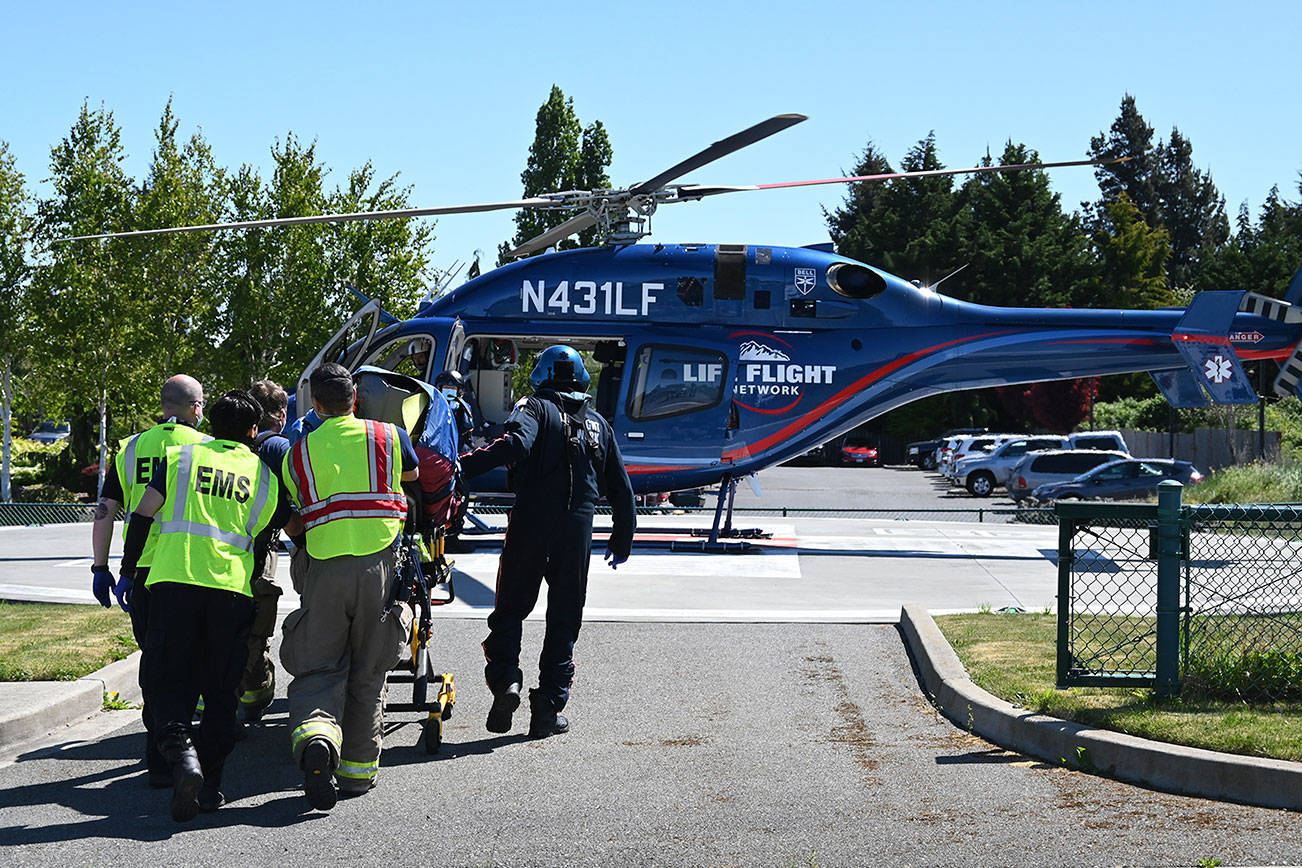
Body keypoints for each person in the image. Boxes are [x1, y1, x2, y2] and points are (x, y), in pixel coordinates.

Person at [118, 391, 290, 821]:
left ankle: (182, 756)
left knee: (167, 682)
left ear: (209, 424)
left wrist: (127, 569)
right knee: (220, 694)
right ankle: (210, 786)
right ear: (254, 431)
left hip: (172, 585)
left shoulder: (178, 459)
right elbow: (279, 529)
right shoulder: (263, 476)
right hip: (231, 594)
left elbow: (141, 516)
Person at [459, 345, 636, 738]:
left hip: (530, 524)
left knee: (509, 611)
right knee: (564, 619)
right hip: (577, 532)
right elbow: (622, 489)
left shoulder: (534, 407)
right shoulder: (598, 425)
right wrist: (622, 538)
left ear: (541, 377)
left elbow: (516, 445)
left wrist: (462, 466)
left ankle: (506, 682)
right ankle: (547, 710)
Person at [280, 362, 420, 811]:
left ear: (316, 405)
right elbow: (414, 477)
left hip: (323, 568)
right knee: (369, 670)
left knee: (319, 667)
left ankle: (318, 737)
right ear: (354, 398)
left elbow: (296, 511)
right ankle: (358, 771)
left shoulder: (296, 454)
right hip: (380, 565)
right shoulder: (389, 436)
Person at [90, 374, 209, 788]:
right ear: (196, 407)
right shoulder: (207, 448)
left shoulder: (131, 447)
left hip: (140, 571)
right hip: (192, 568)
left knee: (155, 660)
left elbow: (106, 509)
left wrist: (100, 566)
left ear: (164, 406)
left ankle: (159, 747)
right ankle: (184, 745)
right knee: (192, 657)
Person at [237, 379, 292, 725]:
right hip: (259, 549)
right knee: (255, 627)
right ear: (281, 413)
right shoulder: (280, 449)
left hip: (220, 549)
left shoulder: (227, 445)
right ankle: (254, 693)